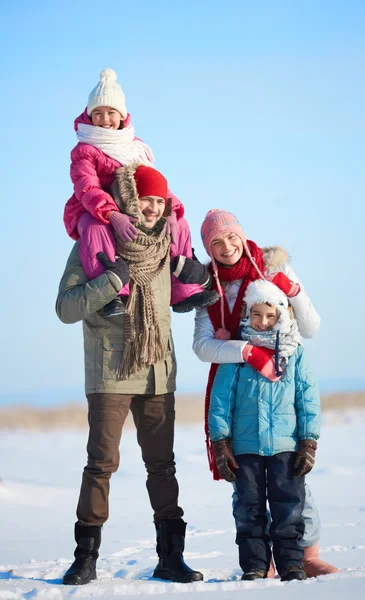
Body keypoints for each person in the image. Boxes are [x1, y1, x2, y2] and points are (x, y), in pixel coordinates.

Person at [56, 164, 203, 586]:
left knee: (163, 466)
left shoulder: (167, 249)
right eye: (145, 199)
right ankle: (85, 557)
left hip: (158, 371)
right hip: (111, 371)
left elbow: (188, 292)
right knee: (101, 464)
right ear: (127, 201)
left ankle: (171, 558)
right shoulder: (94, 240)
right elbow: (66, 308)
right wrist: (111, 280)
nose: (153, 208)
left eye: (159, 201)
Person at [177, 208, 338, 578]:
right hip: (239, 385)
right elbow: (203, 347)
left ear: (241, 235)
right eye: (215, 241)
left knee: (292, 485)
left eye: (230, 237)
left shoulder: (269, 266)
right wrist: (245, 350)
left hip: (282, 377)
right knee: (248, 489)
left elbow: (310, 326)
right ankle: (259, 561)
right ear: (208, 247)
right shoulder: (208, 286)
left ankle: (304, 555)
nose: (226, 246)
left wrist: (292, 290)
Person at [63, 68, 218, 316]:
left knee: (179, 223)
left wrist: (170, 210)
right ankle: (112, 292)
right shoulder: (85, 150)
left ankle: (184, 289)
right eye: (98, 113)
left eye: (111, 113)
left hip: (133, 207)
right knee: (95, 228)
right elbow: (87, 187)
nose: (105, 119)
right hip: (92, 208)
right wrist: (113, 215)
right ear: (90, 117)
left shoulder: (133, 147)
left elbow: (153, 182)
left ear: (122, 116)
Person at [209, 278, 321, 581]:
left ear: (282, 315)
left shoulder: (295, 354)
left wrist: (308, 442)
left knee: (289, 508)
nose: (263, 321)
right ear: (248, 314)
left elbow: (307, 400)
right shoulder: (237, 354)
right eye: (257, 314)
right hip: (246, 447)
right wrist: (221, 444)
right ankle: (255, 565)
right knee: (248, 509)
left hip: (286, 447)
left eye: (270, 315)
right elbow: (221, 402)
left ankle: (291, 565)